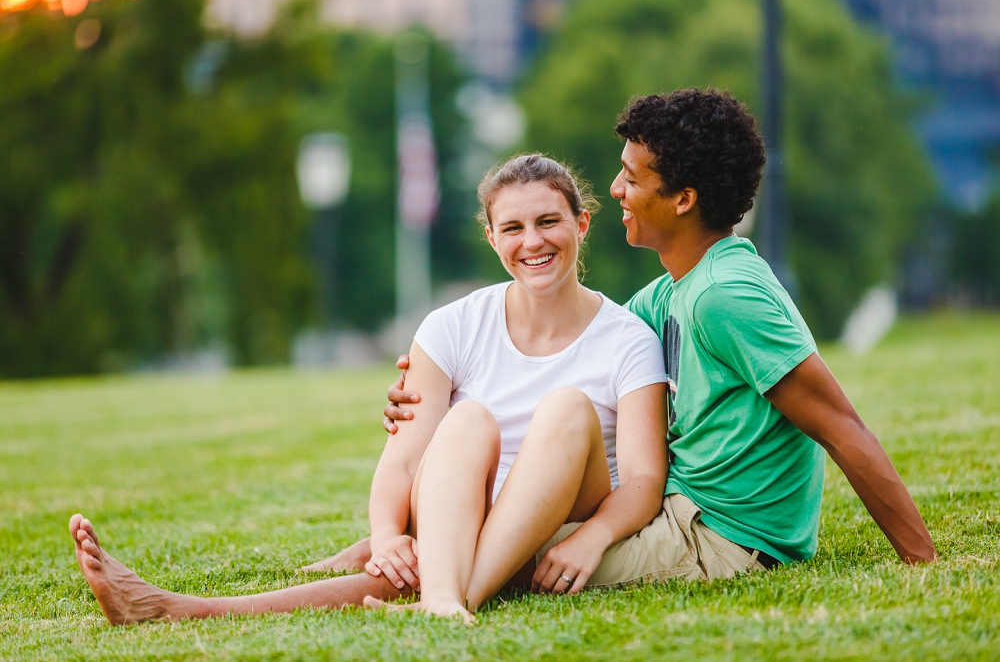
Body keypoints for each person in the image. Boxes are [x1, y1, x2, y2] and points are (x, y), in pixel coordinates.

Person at [69, 154, 674, 625]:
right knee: (467, 422)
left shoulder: (626, 339)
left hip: (561, 513)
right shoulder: (452, 325)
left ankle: (438, 593)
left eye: (548, 221)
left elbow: (645, 481)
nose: (532, 242)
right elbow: (406, 455)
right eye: (512, 227)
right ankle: (439, 595)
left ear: (581, 223)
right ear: (491, 238)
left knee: (567, 409)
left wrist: (593, 538)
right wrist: (387, 539)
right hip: (461, 509)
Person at [380, 88, 937, 588]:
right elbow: (590, 349)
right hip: (681, 511)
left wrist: (923, 564)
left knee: (492, 546)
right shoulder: (670, 293)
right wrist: (433, 385)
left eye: (633, 177)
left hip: (723, 537)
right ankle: (411, 572)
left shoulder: (726, 296)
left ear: (683, 199)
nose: (616, 188)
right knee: (484, 530)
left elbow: (842, 427)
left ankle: (438, 600)